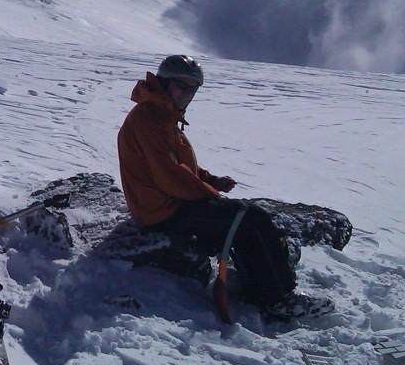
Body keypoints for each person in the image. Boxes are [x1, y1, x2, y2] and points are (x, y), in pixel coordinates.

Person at [117, 54, 333, 320]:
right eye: (181, 85)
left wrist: (210, 180)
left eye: (192, 88)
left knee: (245, 218)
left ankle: (268, 271)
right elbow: (169, 176)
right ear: (164, 83)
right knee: (246, 217)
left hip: (166, 200)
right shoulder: (150, 120)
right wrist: (212, 195)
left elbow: (179, 163)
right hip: (159, 209)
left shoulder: (162, 114)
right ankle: (276, 299)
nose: (187, 93)